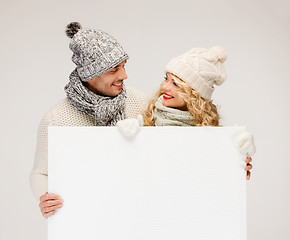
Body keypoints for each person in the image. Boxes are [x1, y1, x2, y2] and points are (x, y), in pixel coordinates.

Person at [30, 22, 148, 218]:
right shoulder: (56, 119)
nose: (124, 75)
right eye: (114, 70)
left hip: (135, 213)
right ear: (90, 75)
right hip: (88, 218)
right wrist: (45, 197)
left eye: (124, 66)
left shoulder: (138, 102)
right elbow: (40, 173)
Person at [118, 46, 255, 178]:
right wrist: (126, 140)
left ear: (194, 94)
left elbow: (210, 181)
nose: (164, 86)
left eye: (175, 84)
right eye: (166, 79)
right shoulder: (140, 115)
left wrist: (237, 160)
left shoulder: (209, 135)